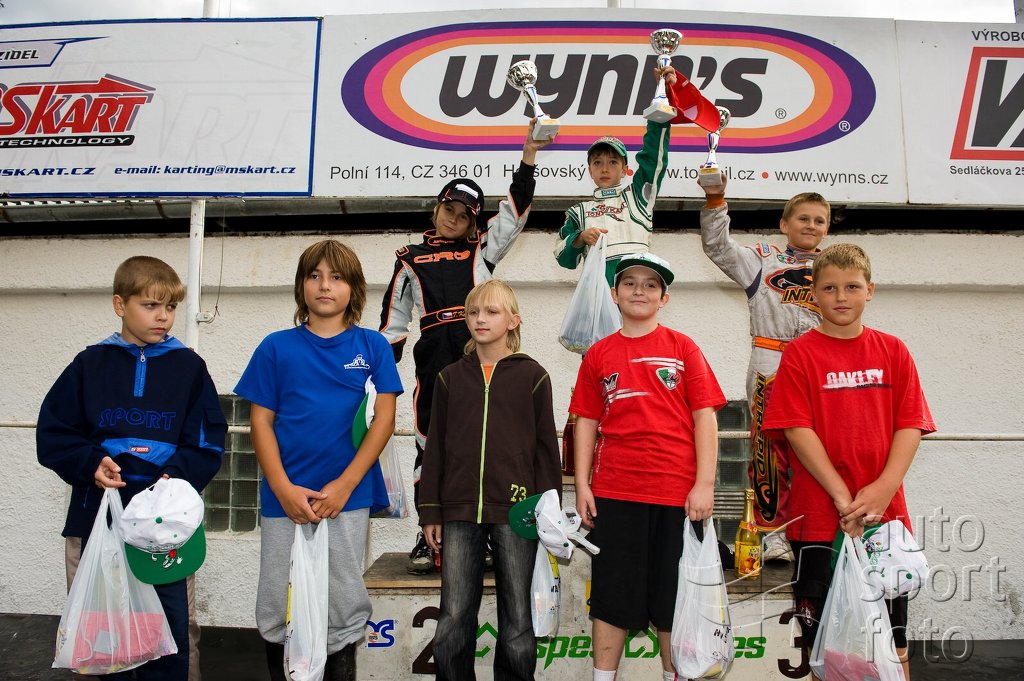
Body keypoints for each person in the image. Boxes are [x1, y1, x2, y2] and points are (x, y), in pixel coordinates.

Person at [37, 255, 226, 681]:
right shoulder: (89, 364)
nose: (163, 316)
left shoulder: (190, 367)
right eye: (150, 305)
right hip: (95, 518)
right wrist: (91, 463)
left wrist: (174, 477)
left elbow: (208, 440)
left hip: (167, 527)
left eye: (171, 307)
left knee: (173, 630)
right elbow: (54, 432)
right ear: (120, 305)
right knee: (101, 632)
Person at [380, 120, 553, 574]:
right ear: (436, 207)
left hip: (477, 356)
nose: (454, 219)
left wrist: (529, 156)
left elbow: (514, 213)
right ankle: (427, 533)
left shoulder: (481, 251)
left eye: (464, 215)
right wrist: (373, 384)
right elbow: (393, 325)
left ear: (474, 222)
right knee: (428, 443)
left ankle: (488, 533)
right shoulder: (409, 258)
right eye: (449, 209)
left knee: (485, 442)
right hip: (434, 360)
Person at [761, 243, 936, 681]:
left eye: (852, 287)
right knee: (824, 641)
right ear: (813, 294)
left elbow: (910, 425)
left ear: (869, 290)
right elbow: (797, 429)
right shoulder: (800, 354)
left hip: (884, 520)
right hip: (818, 520)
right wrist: (842, 497)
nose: (841, 296)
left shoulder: (893, 350)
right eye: (830, 288)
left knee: (893, 637)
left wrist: (882, 489)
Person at [236, 239, 403, 681]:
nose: (325, 286)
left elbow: (384, 420)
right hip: (284, 498)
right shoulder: (275, 347)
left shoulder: (373, 346)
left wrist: (345, 485)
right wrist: (283, 488)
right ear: (301, 286)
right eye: (315, 276)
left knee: (344, 600)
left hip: (347, 496)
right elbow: (260, 423)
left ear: (354, 289)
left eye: (337, 277)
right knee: (276, 598)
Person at [571, 252, 725, 681]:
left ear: (664, 298)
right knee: (612, 598)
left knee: (673, 600)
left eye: (651, 284)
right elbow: (586, 422)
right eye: (630, 283)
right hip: (615, 493)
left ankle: (676, 674)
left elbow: (705, 418)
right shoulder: (598, 354)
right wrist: (582, 484)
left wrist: (705, 484)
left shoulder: (683, 348)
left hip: (677, 496)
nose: (640, 290)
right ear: (615, 294)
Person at [418, 278, 561, 681]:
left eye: (492, 312)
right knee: (453, 616)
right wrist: (431, 511)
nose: (481, 319)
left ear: (513, 320)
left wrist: (546, 510)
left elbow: (545, 450)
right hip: (458, 512)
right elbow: (436, 448)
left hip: (517, 513)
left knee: (517, 620)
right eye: (474, 312)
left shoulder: (533, 377)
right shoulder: (449, 378)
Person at [699, 175, 831, 561]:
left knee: (821, 447)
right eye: (803, 218)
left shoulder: (836, 265)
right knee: (767, 450)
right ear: (784, 224)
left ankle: (818, 528)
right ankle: (773, 534)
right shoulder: (763, 258)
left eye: (819, 220)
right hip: (770, 359)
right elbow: (717, 246)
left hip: (820, 362)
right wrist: (716, 200)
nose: (811, 226)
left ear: (827, 227)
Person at [553, 67, 675, 286]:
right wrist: (580, 238)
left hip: (636, 284)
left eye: (612, 162)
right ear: (590, 171)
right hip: (596, 290)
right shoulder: (579, 212)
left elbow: (653, 158)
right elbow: (563, 257)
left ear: (625, 169)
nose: (604, 169)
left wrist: (661, 103)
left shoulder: (638, 197)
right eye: (597, 163)